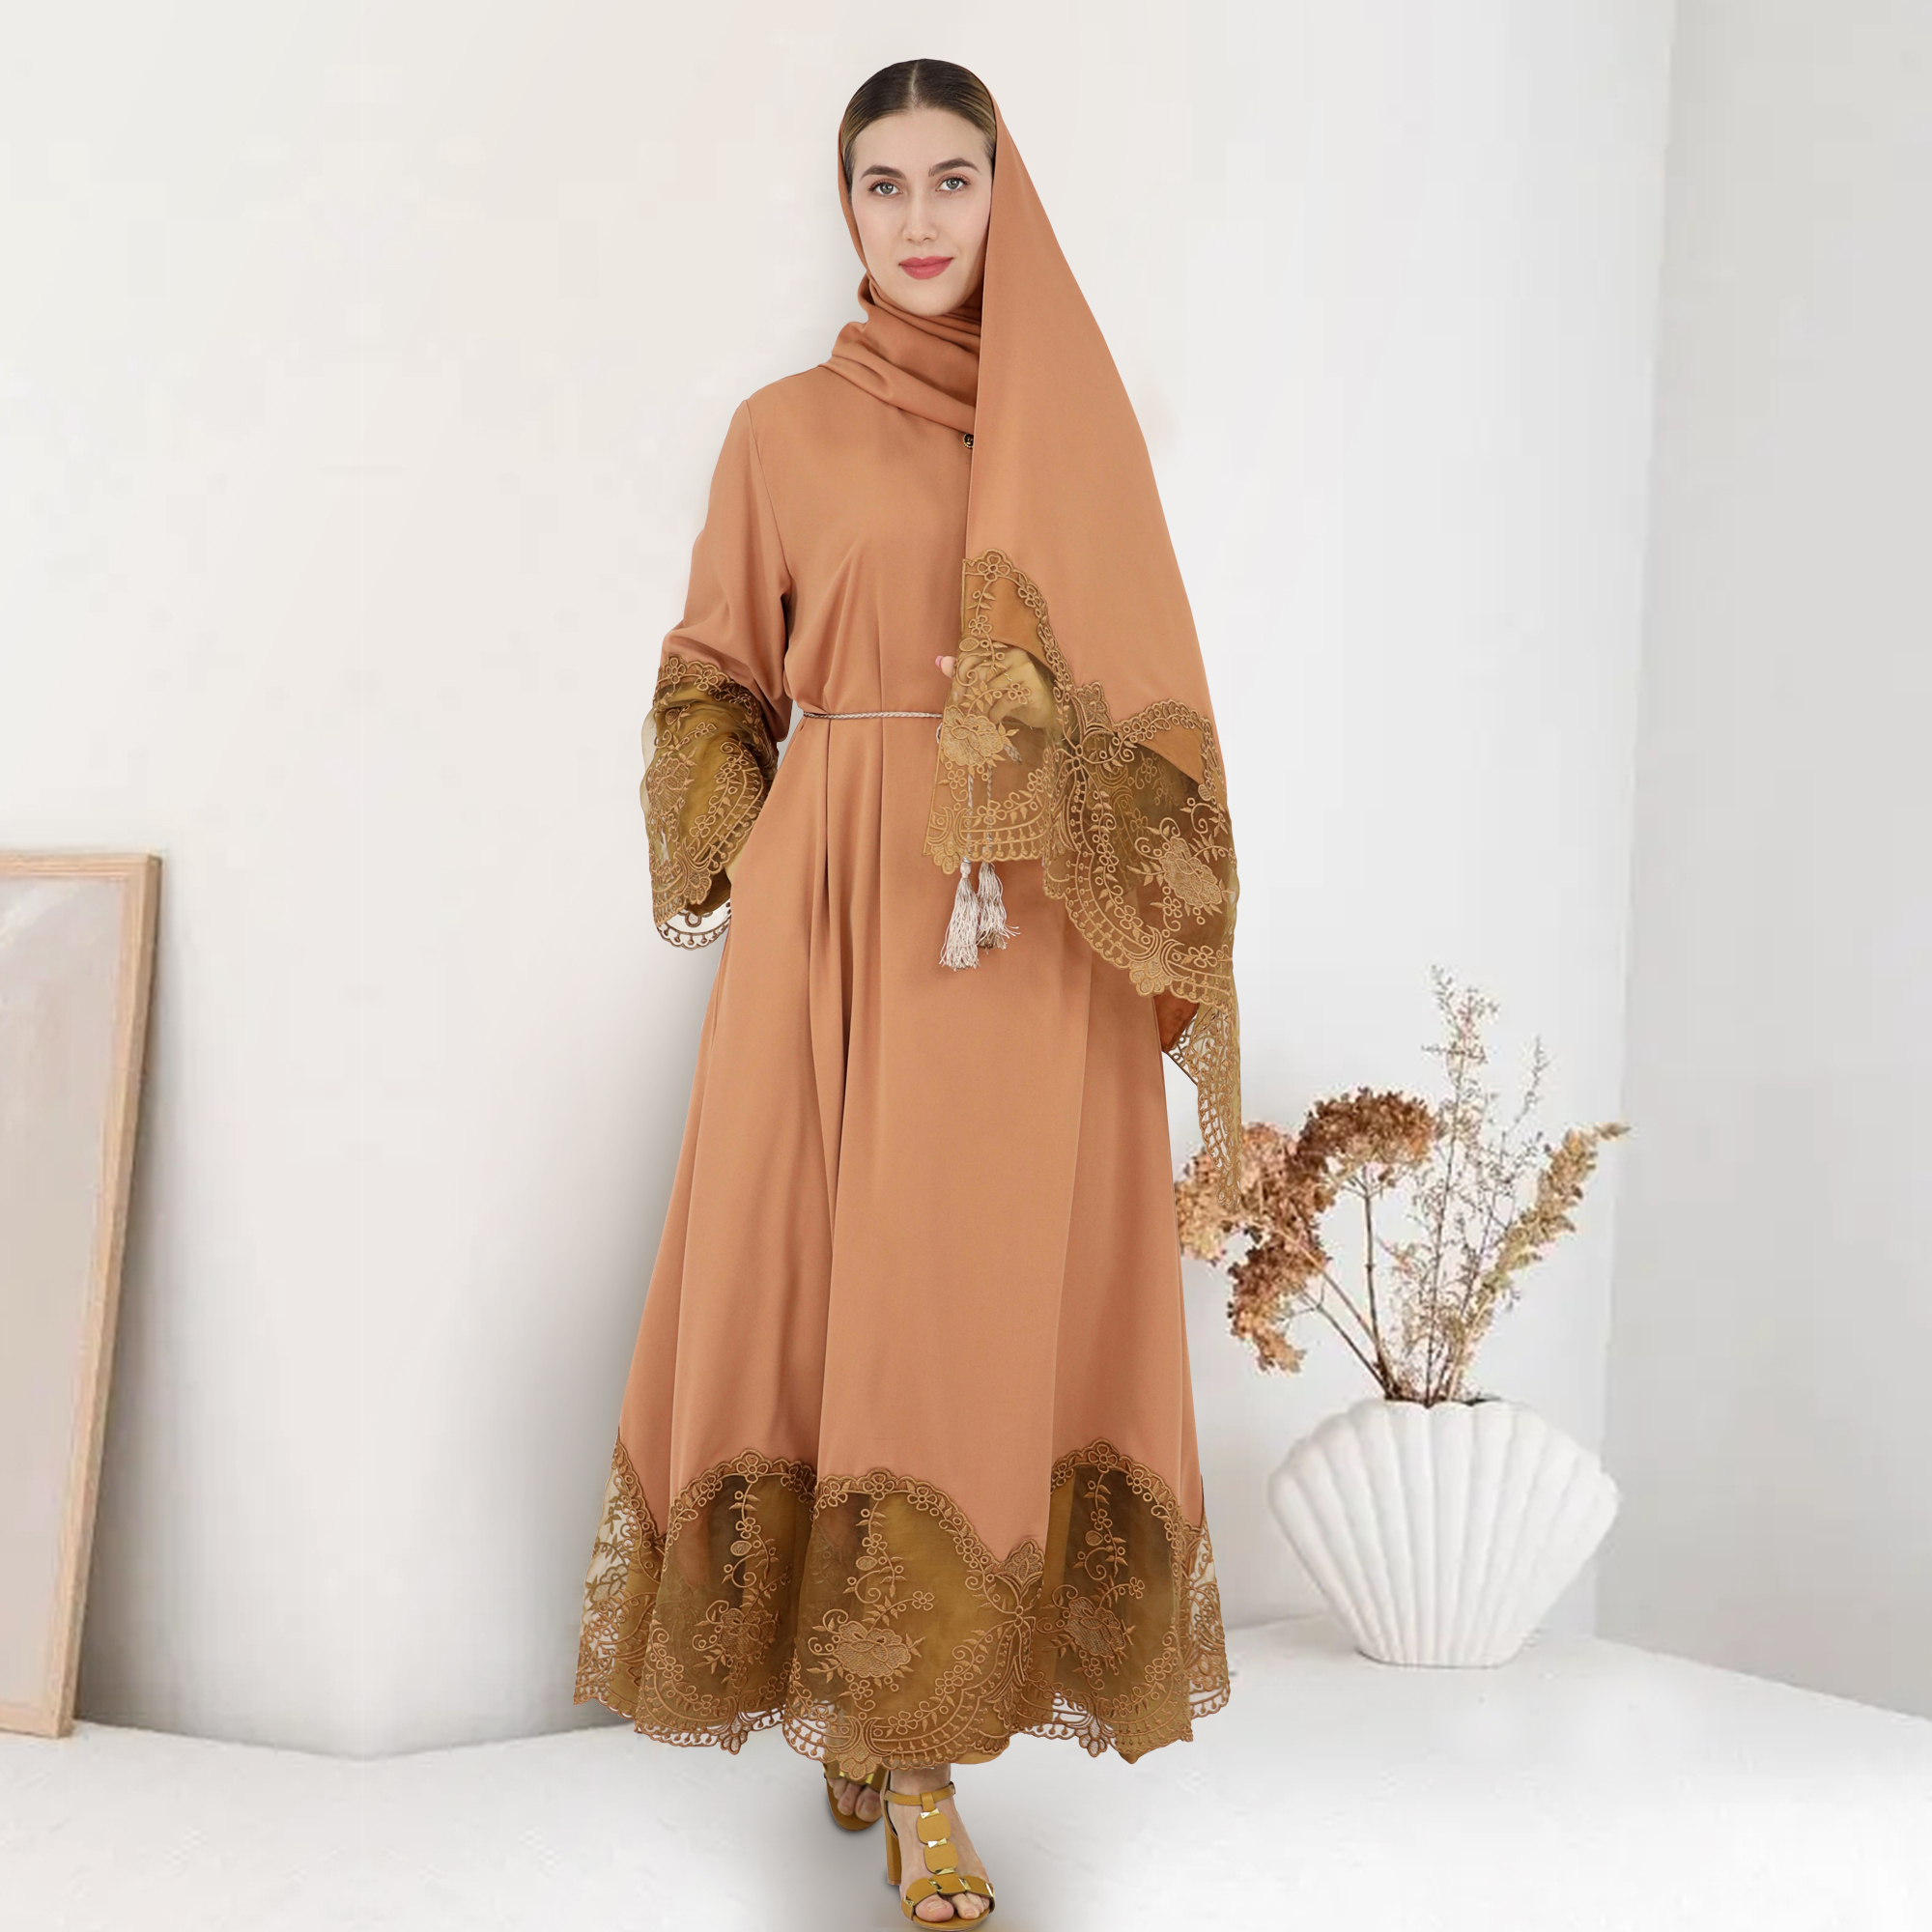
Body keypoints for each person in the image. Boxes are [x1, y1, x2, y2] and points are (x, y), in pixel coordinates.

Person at [574, 58, 1243, 1922]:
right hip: (837, 921)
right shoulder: (781, 431)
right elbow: (714, 665)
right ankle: (879, 1726)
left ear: (1004, 198)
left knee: (960, 1306)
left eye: (958, 179)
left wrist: (1037, 767)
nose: (924, 219)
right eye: (888, 184)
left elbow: (1144, 691)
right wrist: (735, 834)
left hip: (1023, 933)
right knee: (822, 1293)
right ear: (846, 207)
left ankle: (919, 1731)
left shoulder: (1072, 430)